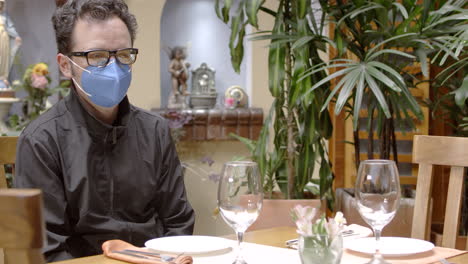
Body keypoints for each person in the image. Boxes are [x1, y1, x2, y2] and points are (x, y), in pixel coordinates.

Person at [14, 0, 195, 261]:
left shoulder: (155, 130)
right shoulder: (42, 140)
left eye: (123, 55)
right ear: (65, 65)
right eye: (97, 56)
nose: (114, 68)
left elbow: (178, 223)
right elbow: (46, 249)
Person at [0, 0, 21, 88]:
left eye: (1, 4)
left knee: (3, 57)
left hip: (3, 39)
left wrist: (16, 36)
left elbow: (10, 27)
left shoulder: (5, 16)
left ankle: (2, 77)